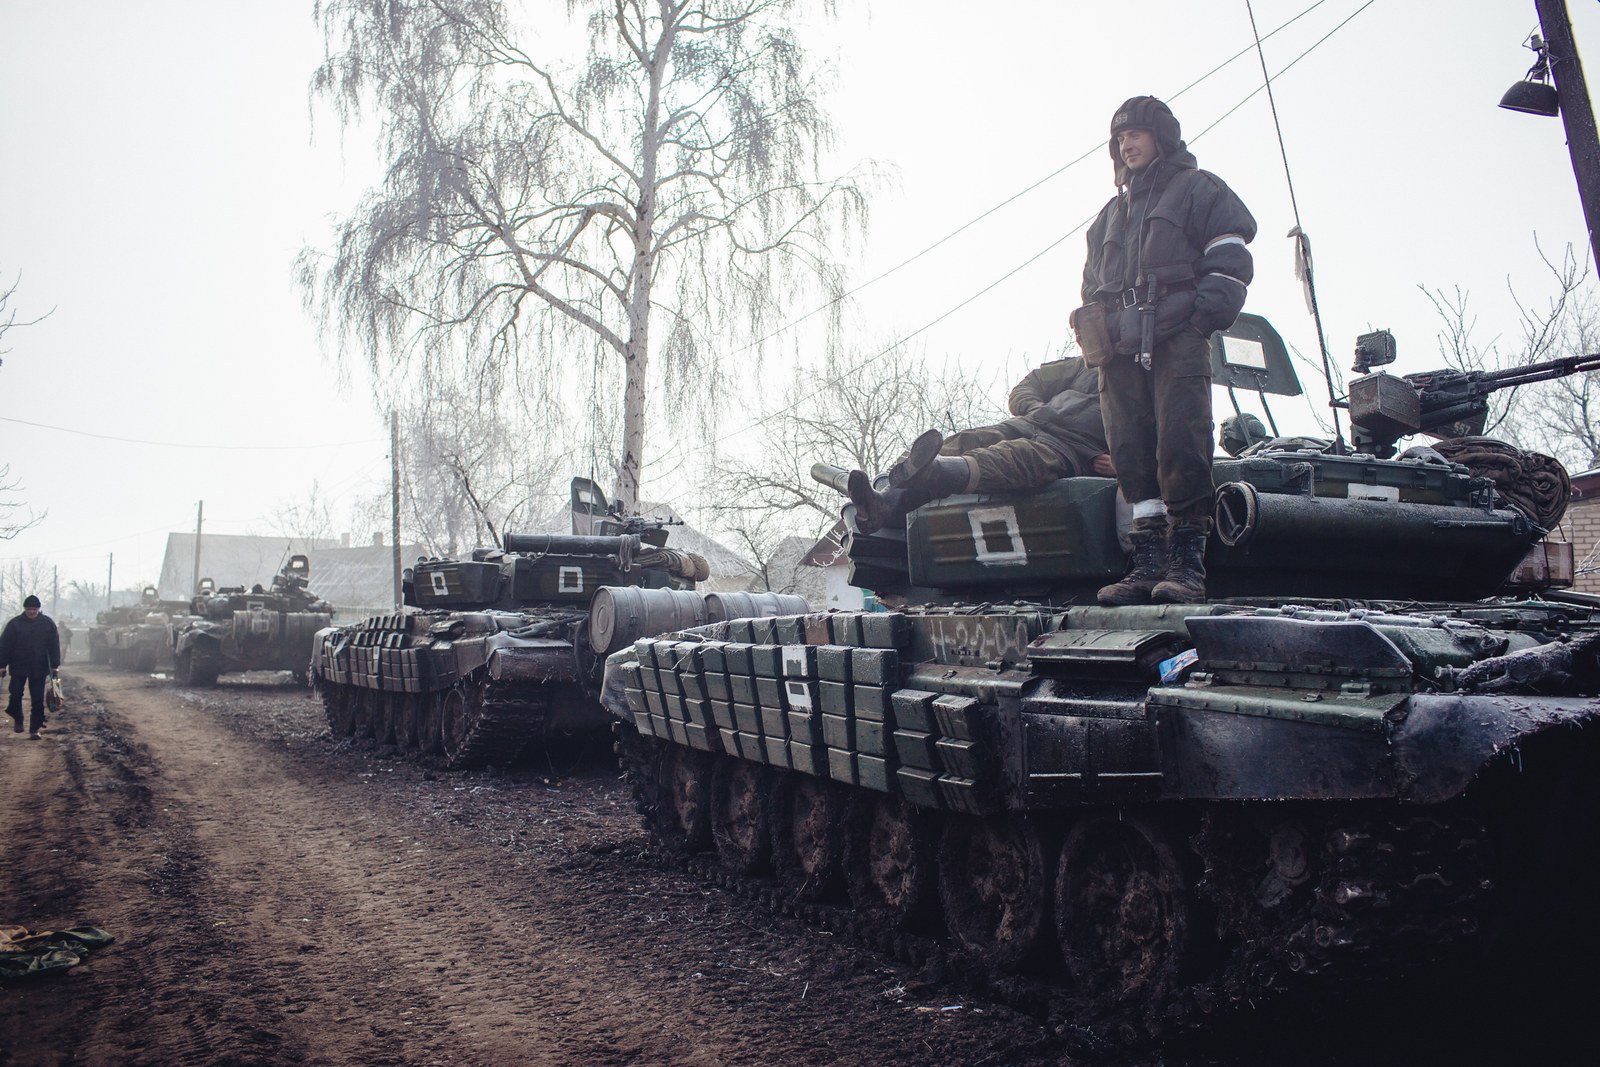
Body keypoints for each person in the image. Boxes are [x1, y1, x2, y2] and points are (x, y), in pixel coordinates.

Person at [1075, 96, 1256, 605]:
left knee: (1181, 443)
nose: (1127, 144)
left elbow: (1231, 257)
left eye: (1136, 134)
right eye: (1119, 139)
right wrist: (1097, 331)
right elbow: (1091, 287)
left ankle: (1187, 565)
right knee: (1131, 453)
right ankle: (1147, 562)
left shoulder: (1197, 190)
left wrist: (1199, 318)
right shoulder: (1109, 217)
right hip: (1118, 349)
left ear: (1163, 136)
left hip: (1176, 334)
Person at [845, 354, 1115, 534]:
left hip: (1074, 451)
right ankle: (882, 503)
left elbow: (1153, 452)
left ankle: (934, 472)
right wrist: (1039, 409)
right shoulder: (1087, 364)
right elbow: (1024, 389)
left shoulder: (1145, 386)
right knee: (968, 440)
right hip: (1033, 423)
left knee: (1016, 457)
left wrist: (1121, 462)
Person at [1, 594, 62, 739]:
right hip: (18, 666)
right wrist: (2, 665)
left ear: (38, 609)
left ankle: (34, 729)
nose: (31, 612)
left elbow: (54, 645)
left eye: (34, 609)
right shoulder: (14, 624)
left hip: (39, 667)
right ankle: (18, 718)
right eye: (29, 609)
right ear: (25, 609)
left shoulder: (47, 624)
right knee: (15, 695)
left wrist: (54, 665)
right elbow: (4, 646)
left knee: (37, 700)